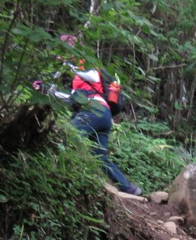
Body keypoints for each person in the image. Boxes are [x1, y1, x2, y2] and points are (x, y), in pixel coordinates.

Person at [34, 34, 141, 196]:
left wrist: (69, 64)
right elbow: (70, 98)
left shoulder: (85, 63)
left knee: (66, 137)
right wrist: (46, 88)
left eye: (63, 49)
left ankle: (51, 177)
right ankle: (129, 188)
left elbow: (93, 76)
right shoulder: (78, 77)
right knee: (100, 157)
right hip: (103, 116)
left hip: (93, 110)